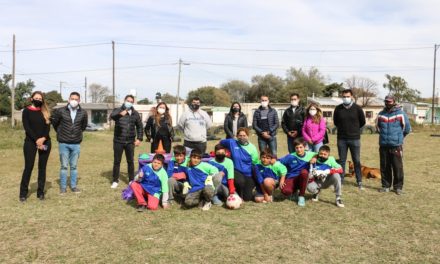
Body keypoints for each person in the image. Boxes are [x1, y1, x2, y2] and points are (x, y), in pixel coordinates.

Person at [51, 91, 88, 194]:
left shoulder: (83, 113)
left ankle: (73, 186)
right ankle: (63, 187)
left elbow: (83, 126)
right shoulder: (60, 111)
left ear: (79, 100)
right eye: (72, 99)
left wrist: (77, 134)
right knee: (64, 166)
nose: (74, 101)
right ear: (68, 99)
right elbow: (55, 124)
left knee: (74, 166)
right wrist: (60, 133)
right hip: (63, 143)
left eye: (76, 99)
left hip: (76, 143)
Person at [19, 91, 51, 201]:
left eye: (40, 98)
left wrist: (43, 139)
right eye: (36, 98)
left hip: (45, 142)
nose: (38, 99)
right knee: (29, 167)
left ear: (42, 100)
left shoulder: (45, 111)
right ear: (31, 99)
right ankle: (23, 193)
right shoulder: (26, 111)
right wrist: (37, 140)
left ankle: (40, 192)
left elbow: (47, 128)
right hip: (30, 142)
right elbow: (27, 127)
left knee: (42, 168)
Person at [376, 95, 411, 195]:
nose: (388, 103)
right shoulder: (381, 114)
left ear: (394, 102)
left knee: (397, 167)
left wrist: (399, 138)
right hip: (383, 145)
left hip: (396, 145)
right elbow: (378, 128)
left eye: (390, 101)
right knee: (385, 166)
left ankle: (398, 187)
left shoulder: (401, 114)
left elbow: (407, 129)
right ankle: (386, 186)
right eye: (386, 101)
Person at [333, 89, 366, 189]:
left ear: (352, 97)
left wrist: (354, 130)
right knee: (342, 161)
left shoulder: (358, 108)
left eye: (347, 96)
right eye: (344, 96)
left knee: (356, 160)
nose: (346, 98)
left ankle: (359, 181)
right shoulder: (338, 109)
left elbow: (362, 122)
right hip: (342, 139)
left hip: (354, 138)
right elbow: (335, 122)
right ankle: (341, 180)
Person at [110, 95, 143, 189]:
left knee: (130, 161)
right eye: (128, 100)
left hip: (130, 141)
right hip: (118, 141)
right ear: (124, 101)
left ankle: (131, 180)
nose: (129, 102)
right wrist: (121, 114)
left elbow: (140, 127)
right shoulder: (118, 109)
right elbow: (112, 116)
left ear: (133, 103)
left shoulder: (135, 113)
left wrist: (139, 138)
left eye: (131, 101)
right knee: (117, 161)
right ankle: (115, 180)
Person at [220, 127, 259, 202]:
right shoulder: (231, 142)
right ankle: (234, 193)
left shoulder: (252, 148)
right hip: (235, 170)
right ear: (237, 136)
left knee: (247, 198)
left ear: (248, 136)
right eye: (240, 135)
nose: (242, 137)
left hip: (248, 174)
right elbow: (221, 143)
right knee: (240, 181)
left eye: (244, 135)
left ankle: (243, 193)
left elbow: (255, 163)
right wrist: (224, 153)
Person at [279, 138, 317, 207]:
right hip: (292, 177)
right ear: (294, 148)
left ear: (305, 147)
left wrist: (315, 157)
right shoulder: (290, 156)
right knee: (285, 191)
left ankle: (301, 196)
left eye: (301, 147)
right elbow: (278, 162)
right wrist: (282, 177)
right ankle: (294, 191)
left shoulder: (310, 154)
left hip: (303, 177)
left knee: (304, 172)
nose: (299, 149)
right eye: (297, 148)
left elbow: (319, 154)